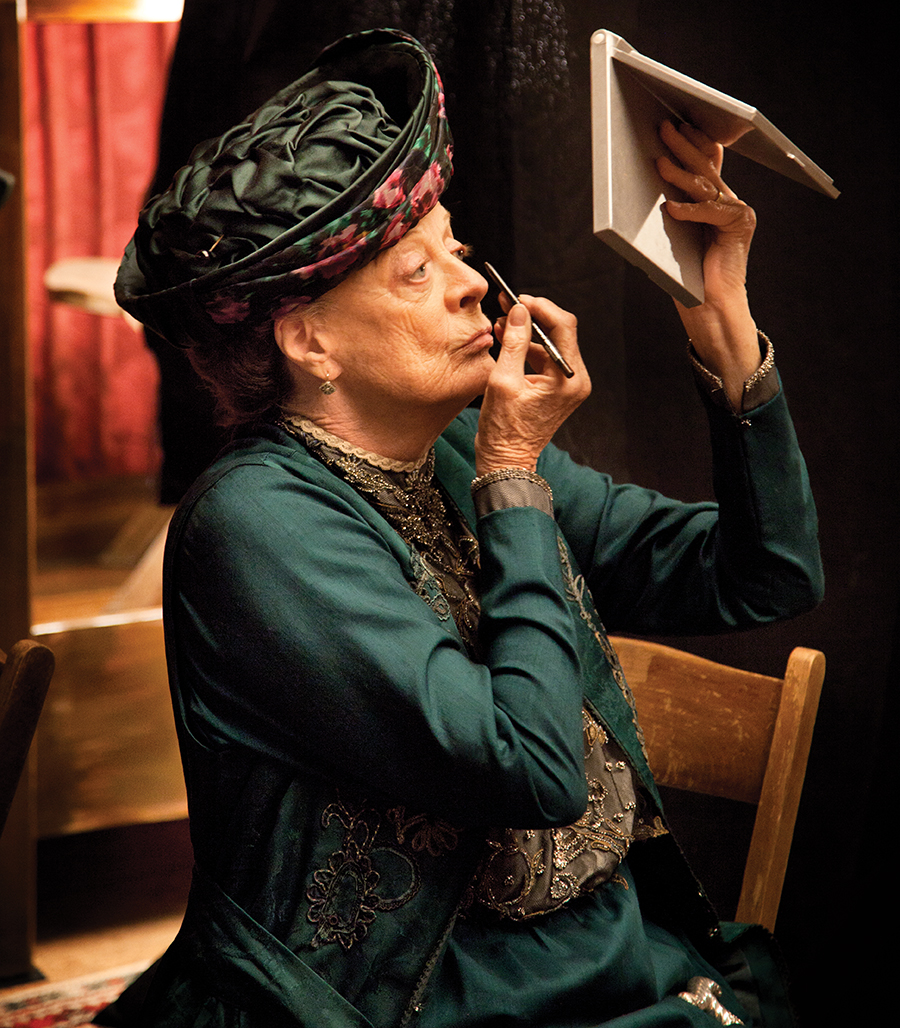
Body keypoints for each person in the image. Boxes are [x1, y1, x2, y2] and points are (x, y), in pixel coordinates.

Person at [112, 28, 822, 1028]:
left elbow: (764, 575)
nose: (468, 282)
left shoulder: (448, 450)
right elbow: (530, 768)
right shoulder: (253, 524)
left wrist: (728, 337)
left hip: (618, 970)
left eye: (454, 244)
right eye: (415, 270)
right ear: (307, 339)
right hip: (403, 1006)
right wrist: (512, 471)